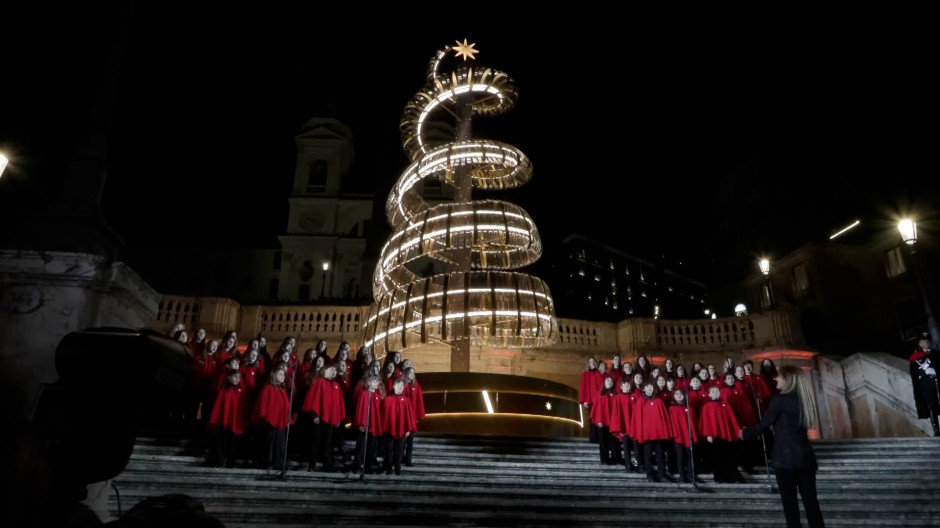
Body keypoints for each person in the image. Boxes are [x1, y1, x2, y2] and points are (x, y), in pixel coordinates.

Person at [742, 365, 824, 528]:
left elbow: (763, 425)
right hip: (806, 458)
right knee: (811, 504)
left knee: (790, 506)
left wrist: (743, 432)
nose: (775, 378)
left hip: (785, 460)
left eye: (779, 376)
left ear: (787, 380)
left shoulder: (779, 401)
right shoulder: (805, 399)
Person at [909, 332, 940, 436]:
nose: (926, 342)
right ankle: (937, 430)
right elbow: (915, 371)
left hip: (937, 383)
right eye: (923, 340)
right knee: (932, 406)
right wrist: (925, 372)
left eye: (927, 340)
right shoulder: (915, 357)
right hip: (926, 385)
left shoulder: (936, 354)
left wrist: (935, 371)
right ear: (919, 343)